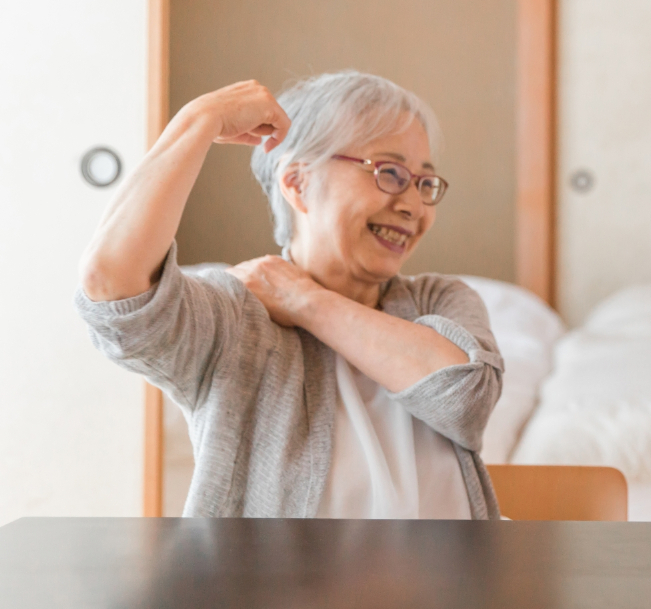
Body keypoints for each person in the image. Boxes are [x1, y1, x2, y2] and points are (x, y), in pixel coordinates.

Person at [77, 71, 503, 519]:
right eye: (389, 173)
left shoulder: (439, 300)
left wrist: (305, 300)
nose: (414, 206)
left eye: (424, 183)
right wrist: (200, 119)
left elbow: (465, 397)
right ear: (297, 183)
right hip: (277, 590)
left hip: (448, 588)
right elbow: (111, 287)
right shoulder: (239, 315)